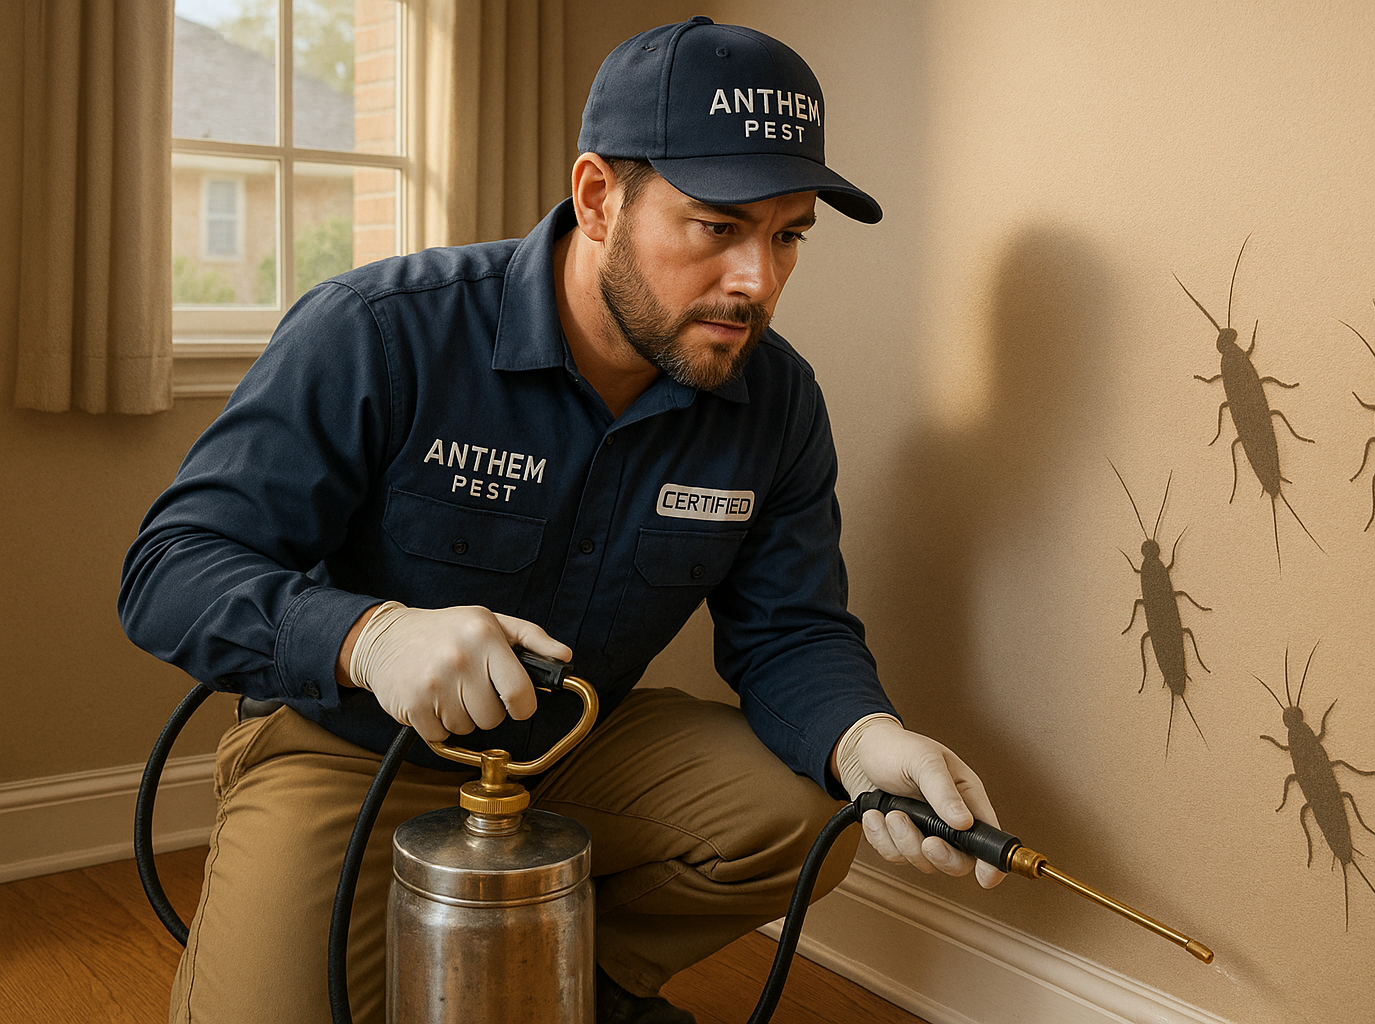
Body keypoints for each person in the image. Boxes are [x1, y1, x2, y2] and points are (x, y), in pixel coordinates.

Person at [121, 17, 1003, 1024]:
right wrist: (374, 637)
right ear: (597, 197)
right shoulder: (380, 330)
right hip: (355, 750)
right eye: (718, 227)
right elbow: (170, 569)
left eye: (788, 233)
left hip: (584, 739)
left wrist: (862, 737)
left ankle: (566, 983)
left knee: (801, 812)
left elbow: (789, 628)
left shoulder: (778, 403)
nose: (759, 281)